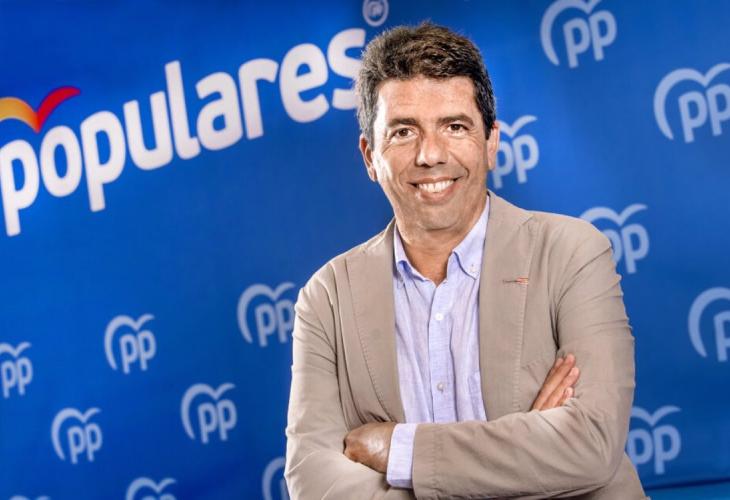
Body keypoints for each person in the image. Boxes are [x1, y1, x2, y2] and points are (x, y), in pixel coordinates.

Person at [285, 22, 645, 499]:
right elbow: (315, 478)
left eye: (455, 127)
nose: (431, 154)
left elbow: (589, 444)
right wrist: (524, 458)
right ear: (370, 156)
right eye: (403, 132)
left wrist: (401, 450)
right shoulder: (326, 298)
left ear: (491, 142)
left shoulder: (571, 252)